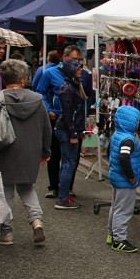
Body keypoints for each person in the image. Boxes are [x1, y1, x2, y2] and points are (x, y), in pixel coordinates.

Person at [0, 59, 52, 246]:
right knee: (27, 188)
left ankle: (6, 232)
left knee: (5, 192)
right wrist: (45, 151)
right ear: (22, 78)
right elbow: (46, 128)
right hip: (30, 152)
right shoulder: (37, 100)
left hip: (3, 152)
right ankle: (37, 222)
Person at [35, 45, 92, 199]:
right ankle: (54, 186)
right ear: (64, 58)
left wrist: (83, 114)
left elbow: (89, 95)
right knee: (55, 153)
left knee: (72, 158)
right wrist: (48, 110)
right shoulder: (50, 73)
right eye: (74, 59)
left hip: (75, 121)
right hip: (57, 119)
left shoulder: (84, 75)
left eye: (80, 60)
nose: (78, 63)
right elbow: (39, 92)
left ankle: (67, 188)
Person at [107, 105, 140, 254]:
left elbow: (110, 151)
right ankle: (119, 240)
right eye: (137, 121)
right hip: (125, 181)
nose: (138, 124)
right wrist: (131, 176)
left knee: (115, 207)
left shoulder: (117, 134)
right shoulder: (129, 140)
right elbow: (124, 157)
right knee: (124, 209)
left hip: (116, 177)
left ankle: (112, 234)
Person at [53, 57, 87, 209]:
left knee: (68, 164)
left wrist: (79, 131)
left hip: (69, 130)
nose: (81, 69)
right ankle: (62, 198)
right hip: (66, 131)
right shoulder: (67, 88)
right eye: (78, 67)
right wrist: (73, 134)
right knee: (68, 164)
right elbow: (67, 114)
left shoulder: (73, 86)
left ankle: (63, 195)